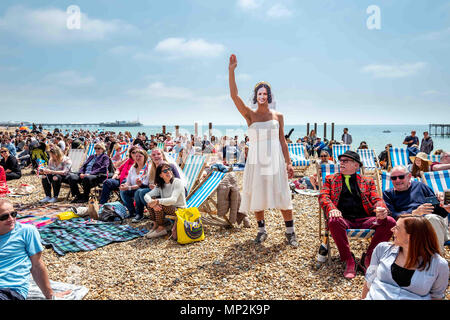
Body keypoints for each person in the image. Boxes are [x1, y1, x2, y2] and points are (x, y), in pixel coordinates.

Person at [229, 54, 298, 246]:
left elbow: (283, 141)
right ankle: (261, 230)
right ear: (255, 96)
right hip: (257, 159)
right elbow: (234, 96)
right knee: (258, 192)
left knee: (282, 192)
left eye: (265, 93)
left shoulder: (278, 116)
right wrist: (231, 71)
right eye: (259, 93)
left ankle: (290, 232)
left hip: (275, 158)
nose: (262, 96)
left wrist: (289, 162)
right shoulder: (249, 115)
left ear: (269, 96)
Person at [318, 150, 396, 279]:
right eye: (341, 161)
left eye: (346, 161)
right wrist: (331, 209)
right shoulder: (330, 179)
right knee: (333, 220)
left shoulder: (367, 181)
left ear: (356, 165)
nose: (341, 163)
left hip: (365, 219)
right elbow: (323, 196)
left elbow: (376, 199)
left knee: (390, 222)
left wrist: (381, 209)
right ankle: (349, 259)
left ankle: (369, 256)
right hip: (343, 219)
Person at [362, 215, 449, 300]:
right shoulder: (382, 249)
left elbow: (436, 296)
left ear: (411, 236)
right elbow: (369, 280)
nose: (392, 230)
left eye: (397, 228)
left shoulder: (439, 265)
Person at [0, 199, 70, 300]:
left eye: (13, 214)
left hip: (9, 290)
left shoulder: (26, 231)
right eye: (4, 216)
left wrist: (50, 295)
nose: (11, 219)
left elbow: (37, 265)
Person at [382, 165, 450, 253]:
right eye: (394, 178)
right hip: (409, 227)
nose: (397, 180)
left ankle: (436, 261)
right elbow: (392, 216)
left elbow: (439, 212)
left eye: (401, 177)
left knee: (432, 218)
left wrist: (445, 206)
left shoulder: (421, 187)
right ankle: (436, 260)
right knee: (430, 220)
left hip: (431, 224)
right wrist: (414, 213)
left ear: (409, 176)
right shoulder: (388, 194)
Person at [144, 162, 187, 239]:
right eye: (165, 171)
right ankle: (156, 225)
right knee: (150, 203)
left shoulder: (177, 182)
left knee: (159, 204)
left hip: (180, 210)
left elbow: (173, 200)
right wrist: (152, 203)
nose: (168, 171)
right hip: (168, 208)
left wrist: (157, 202)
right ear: (160, 175)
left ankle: (161, 228)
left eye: (169, 169)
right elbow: (146, 195)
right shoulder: (161, 185)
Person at [119, 148, 150, 222]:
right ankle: (132, 212)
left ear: (144, 157)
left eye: (140, 156)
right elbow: (128, 181)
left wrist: (128, 188)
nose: (138, 158)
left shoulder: (147, 168)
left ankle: (139, 214)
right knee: (122, 191)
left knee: (138, 191)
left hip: (143, 188)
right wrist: (125, 185)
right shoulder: (133, 167)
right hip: (133, 188)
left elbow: (144, 184)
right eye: (136, 156)